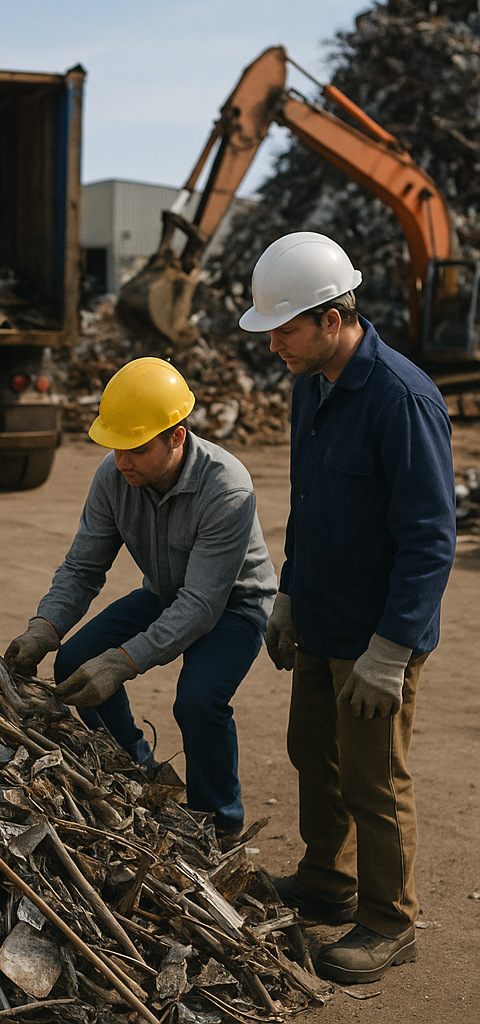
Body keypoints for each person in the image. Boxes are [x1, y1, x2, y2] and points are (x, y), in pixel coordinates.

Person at [239, 232, 456, 985]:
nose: (275, 347)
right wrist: (289, 594)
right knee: (313, 756)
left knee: (374, 781)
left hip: (377, 634)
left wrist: (390, 651)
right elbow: (310, 504)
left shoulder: (402, 398)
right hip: (325, 618)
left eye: (285, 330)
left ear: (334, 319)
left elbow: (431, 540)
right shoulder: (311, 385)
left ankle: (391, 922)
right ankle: (328, 884)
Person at [3, 357, 277, 838]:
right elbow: (84, 567)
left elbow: (201, 606)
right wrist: (43, 628)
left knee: (198, 700)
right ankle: (138, 774)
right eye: (115, 446)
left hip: (234, 605)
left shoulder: (227, 487)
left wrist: (122, 662)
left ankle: (219, 826)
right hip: (167, 594)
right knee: (73, 661)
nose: (121, 460)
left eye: (135, 447)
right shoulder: (115, 476)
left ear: (176, 436)